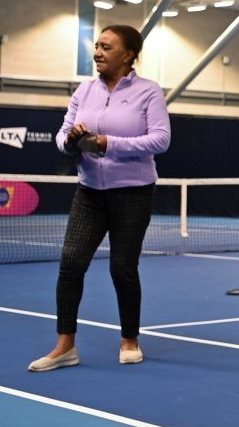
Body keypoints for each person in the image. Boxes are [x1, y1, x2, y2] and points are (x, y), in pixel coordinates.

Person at [29, 25, 170, 372]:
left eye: (106, 47)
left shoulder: (148, 93)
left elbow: (160, 140)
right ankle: (65, 346)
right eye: (97, 46)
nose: (98, 52)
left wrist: (111, 143)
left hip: (133, 194)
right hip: (89, 191)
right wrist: (72, 139)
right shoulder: (84, 90)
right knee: (71, 264)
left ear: (128, 55)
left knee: (123, 268)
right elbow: (62, 135)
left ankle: (129, 340)